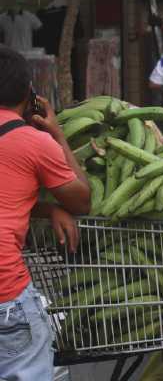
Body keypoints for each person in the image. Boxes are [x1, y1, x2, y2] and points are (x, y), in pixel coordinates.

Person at [0, 46, 90, 379]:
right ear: (30, 94)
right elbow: (82, 200)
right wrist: (56, 133)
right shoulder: (34, 143)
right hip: (5, 294)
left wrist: (43, 209)